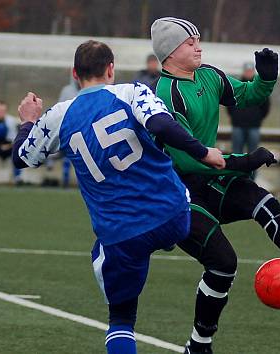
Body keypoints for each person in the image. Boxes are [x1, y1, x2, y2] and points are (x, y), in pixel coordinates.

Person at [150, 17, 280, 354]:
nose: (198, 46)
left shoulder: (209, 75)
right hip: (176, 191)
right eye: (190, 42)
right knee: (224, 263)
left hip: (210, 179)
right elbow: (187, 158)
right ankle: (199, 346)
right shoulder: (166, 94)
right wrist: (244, 161)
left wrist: (267, 76)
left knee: (264, 201)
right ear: (170, 52)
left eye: (198, 40)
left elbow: (249, 96)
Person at [12, 40, 225, 354]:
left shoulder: (58, 115)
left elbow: (22, 158)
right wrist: (204, 152)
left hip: (122, 233)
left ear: (74, 74)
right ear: (111, 69)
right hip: (173, 215)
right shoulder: (132, 91)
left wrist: (28, 121)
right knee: (177, 217)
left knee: (121, 318)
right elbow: (162, 125)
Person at [226, 62, 270, 154]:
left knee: (253, 153)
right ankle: (237, 169)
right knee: (237, 152)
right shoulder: (237, 85)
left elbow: (266, 106)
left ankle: (253, 169)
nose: (248, 73)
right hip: (238, 125)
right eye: (247, 71)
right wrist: (234, 116)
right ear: (243, 72)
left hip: (254, 126)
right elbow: (230, 103)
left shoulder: (259, 87)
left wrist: (258, 118)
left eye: (250, 71)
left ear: (254, 72)